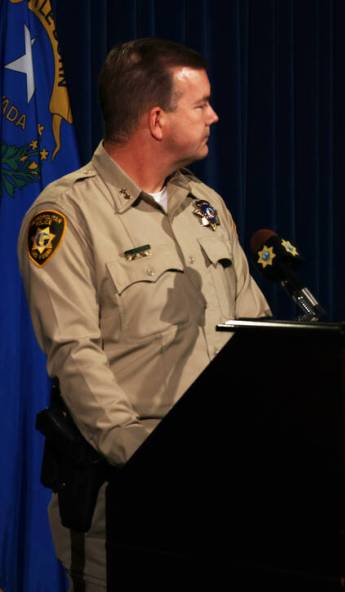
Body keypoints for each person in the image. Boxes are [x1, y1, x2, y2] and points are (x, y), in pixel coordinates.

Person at [18, 38, 271, 591]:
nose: (215, 115)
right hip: (130, 494)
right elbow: (75, 353)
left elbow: (255, 332)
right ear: (157, 120)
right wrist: (147, 460)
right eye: (200, 104)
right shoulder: (66, 215)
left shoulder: (206, 207)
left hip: (228, 488)